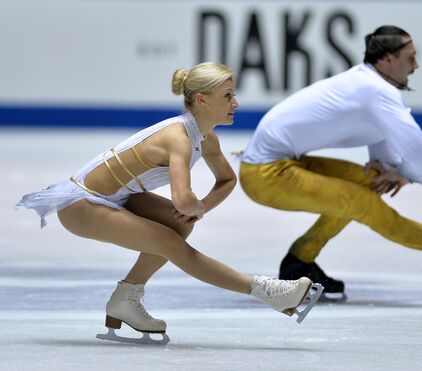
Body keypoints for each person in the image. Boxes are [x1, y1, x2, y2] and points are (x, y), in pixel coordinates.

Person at [17, 62, 323, 345]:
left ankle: (125, 298)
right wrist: (194, 207)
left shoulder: (206, 138)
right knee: (172, 242)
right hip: (81, 205)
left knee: (177, 225)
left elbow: (225, 181)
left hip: (118, 196)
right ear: (202, 100)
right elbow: (182, 199)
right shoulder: (178, 138)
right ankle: (269, 292)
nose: (236, 103)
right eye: (227, 95)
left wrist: (199, 208)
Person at [238, 26, 422, 300]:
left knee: (366, 184)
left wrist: (385, 166)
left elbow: (380, 131)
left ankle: (299, 262)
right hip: (267, 175)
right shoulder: (377, 90)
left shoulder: (367, 83)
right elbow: (413, 142)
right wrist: (408, 174)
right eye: (411, 57)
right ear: (389, 59)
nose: (416, 65)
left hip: (280, 164)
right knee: (367, 205)